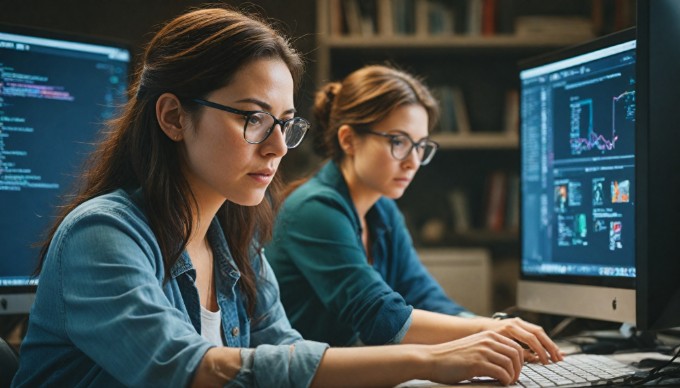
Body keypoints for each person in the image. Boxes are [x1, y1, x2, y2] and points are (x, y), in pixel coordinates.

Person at [12, 7, 544, 388]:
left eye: (285, 125)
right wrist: (425, 361)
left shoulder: (237, 242)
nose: (276, 147)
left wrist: (467, 348)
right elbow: (189, 369)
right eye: (252, 118)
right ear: (174, 117)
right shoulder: (101, 233)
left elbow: (286, 349)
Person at [266, 64, 564, 359]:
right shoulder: (314, 209)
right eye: (398, 141)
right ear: (349, 139)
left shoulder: (382, 209)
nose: (412, 162)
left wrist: (500, 332)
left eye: (420, 146)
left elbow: (424, 296)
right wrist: (491, 330)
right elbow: (379, 317)